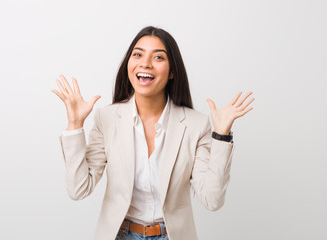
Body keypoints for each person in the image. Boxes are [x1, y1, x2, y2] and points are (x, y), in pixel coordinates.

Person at [52, 26, 254, 240]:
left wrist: (221, 135)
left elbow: (212, 200)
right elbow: (78, 189)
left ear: (173, 71)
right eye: (138, 54)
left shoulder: (196, 125)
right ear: (128, 64)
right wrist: (74, 123)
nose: (145, 63)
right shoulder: (107, 119)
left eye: (158, 57)